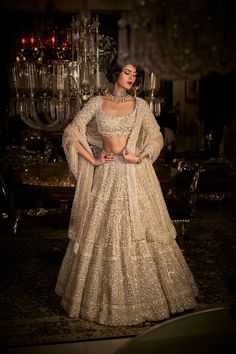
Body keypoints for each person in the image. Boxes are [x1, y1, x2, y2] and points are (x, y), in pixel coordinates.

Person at [55, 60, 198, 326]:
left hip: (135, 174)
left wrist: (141, 155)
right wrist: (94, 159)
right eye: (127, 72)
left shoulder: (140, 105)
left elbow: (156, 137)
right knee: (105, 231)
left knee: (140, 230)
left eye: (135, 74)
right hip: (108, 174)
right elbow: (72, 132)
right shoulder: (97, 103)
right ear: (115, 73)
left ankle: (150, 297)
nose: (132, 77)